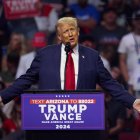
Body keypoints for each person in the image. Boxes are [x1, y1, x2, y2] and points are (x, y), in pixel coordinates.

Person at [0, 17, 140, 139]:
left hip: (83, 123)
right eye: (66, 31)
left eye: (73, 30)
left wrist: (133, 102)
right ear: (59, 37)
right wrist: (2, 97)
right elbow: (26, 80)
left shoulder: (92, 56)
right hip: (50, 122)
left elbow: (110, 84)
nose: (70, 34)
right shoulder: (45, 55)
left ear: (78, 32)